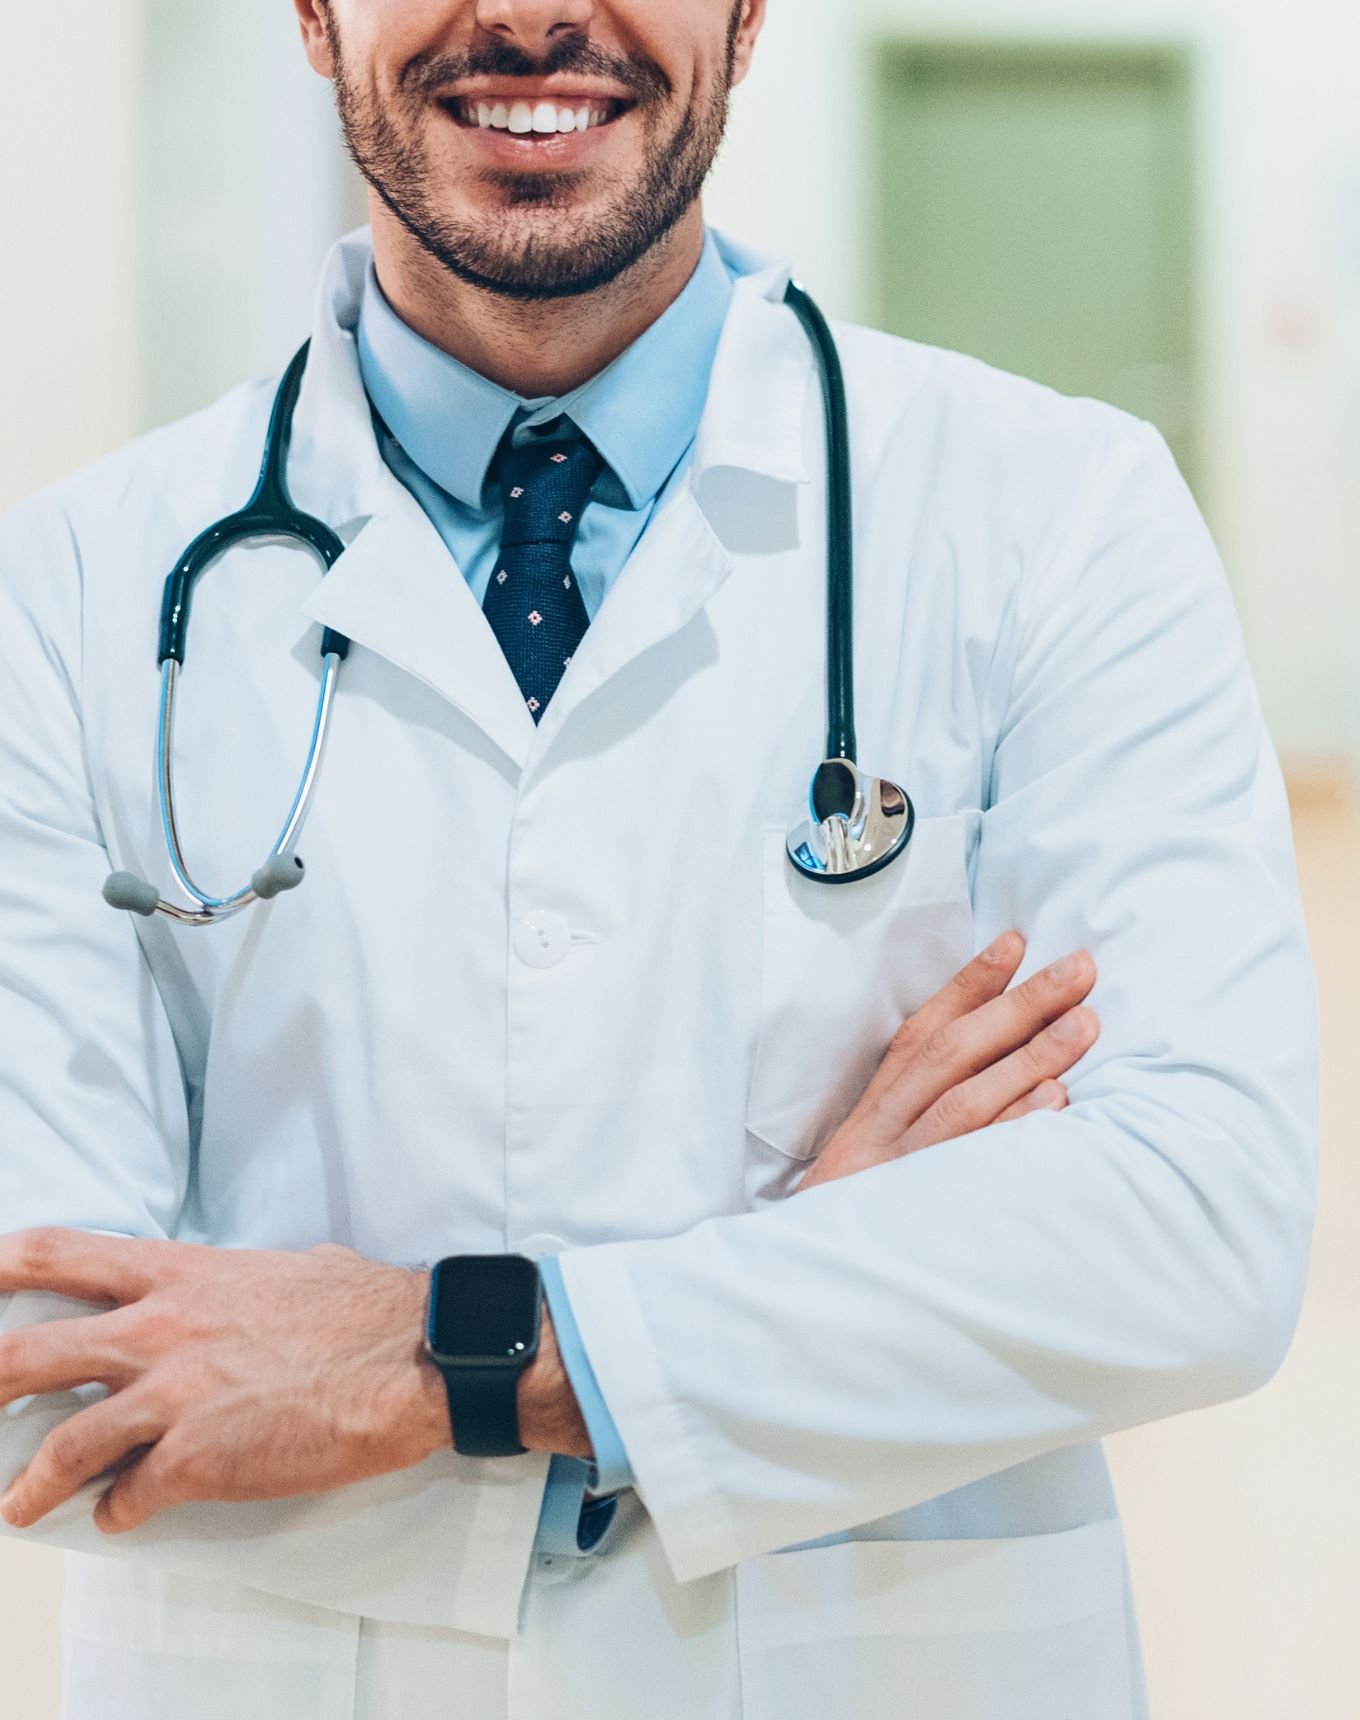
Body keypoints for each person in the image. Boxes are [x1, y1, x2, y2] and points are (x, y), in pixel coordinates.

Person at [0, 1, 1318, 1716]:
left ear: (751, 9)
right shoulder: (69, 593)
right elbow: (48, 1365)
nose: (537, 15)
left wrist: (449, 1362)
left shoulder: (1060, 515)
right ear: (315, 11)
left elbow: (1195, 1227)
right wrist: (806, 1303)